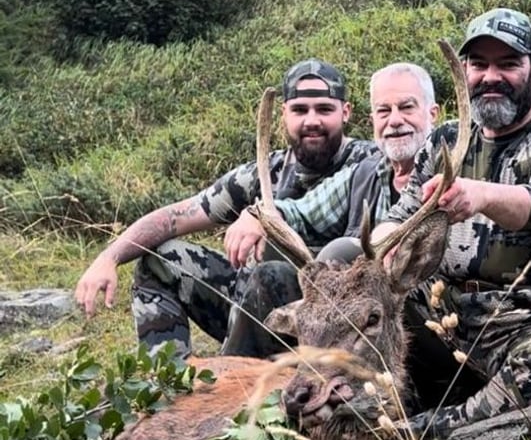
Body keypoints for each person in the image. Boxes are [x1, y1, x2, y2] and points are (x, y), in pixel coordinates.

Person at [219, 60, 531, 358]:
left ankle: (419, 427)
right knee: (331, 259)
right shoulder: (368, 168)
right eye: (384, 110)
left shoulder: (451, 148)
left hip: (511, 313)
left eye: (407, 107)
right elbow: (376, 219)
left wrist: (480, 195)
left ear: (434, 114)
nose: (395, 120)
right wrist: (257, 214)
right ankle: (269, 393)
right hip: (432, 310)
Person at [371, 7, 531, 440]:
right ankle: (340, 402)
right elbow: (399, 217)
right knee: (348, 263)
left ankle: (419, 433)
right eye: (478, 64)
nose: (490, 76)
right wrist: (384, 246)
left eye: (508, 63)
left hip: (530, 320)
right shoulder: (445, 140)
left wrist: (482, 196)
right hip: (444, 315)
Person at [74, 59, 378, 357]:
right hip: (251, 309)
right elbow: (176, 217)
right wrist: (109, 257)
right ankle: (168, 383)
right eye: (300, 110)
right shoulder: (263, 171)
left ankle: (235, 376)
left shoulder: (369, 165)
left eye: (324, 109)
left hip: (333, 321)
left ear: (346, 112)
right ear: (284, 113)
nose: (312, 121)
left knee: (273, 271)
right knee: (161, 259)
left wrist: (262, 219)